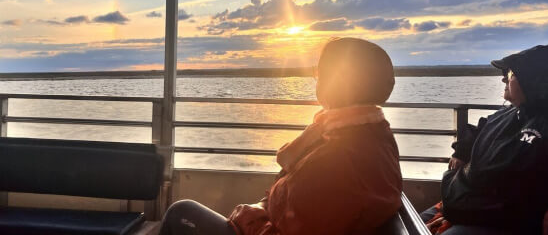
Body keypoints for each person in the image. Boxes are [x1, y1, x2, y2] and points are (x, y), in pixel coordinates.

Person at [160, 38, 402, 235]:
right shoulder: (374, 135)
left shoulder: (337, 157)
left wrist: (249, 217)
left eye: (320, 72)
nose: (316, 78)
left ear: (336, 83)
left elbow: (294, 223)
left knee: (181, 213)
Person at [421, 44, 548, 235]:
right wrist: (462, 150)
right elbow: (481, 127)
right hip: (463, 204)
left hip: (501, 220)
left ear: (534, 80)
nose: (503, 78)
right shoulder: (509, 113)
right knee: (411, 223)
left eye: (510, 73)